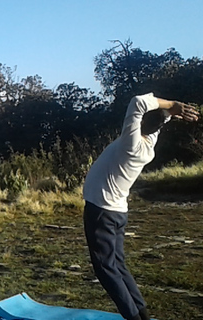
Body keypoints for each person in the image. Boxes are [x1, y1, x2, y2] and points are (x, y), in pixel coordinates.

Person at [82, 93, 199, 320]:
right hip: (116, 211)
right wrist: (171, 112)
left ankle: (133, 316)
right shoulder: (149, 142)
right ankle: (141, 313)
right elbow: (158, 119)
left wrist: (173, 105)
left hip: (101, 210)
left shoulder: (131, 142)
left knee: (105, 269)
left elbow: (137, 102)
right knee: (117, 264)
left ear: (142, 122)